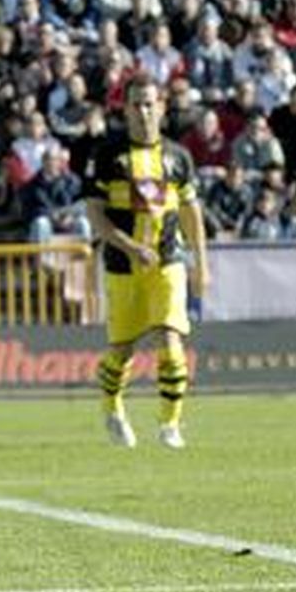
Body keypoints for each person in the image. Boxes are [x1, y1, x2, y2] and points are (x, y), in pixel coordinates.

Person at [84, 75, 209, 450]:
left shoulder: (178, 156)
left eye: (150, 103)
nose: (144, 110)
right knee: (122, 351)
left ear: (162, 107)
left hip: (168, 261)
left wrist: (201, 262)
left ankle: (170, 425)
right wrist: (130, 246)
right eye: (136, 103)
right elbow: (95, 215)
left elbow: (191, 212)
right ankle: (112, 409)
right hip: (123, 265)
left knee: (171, 340)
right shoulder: (107, 155)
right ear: (125, 109)